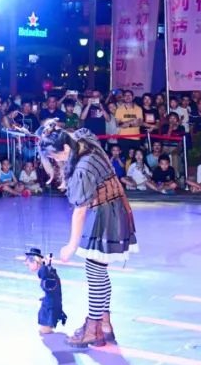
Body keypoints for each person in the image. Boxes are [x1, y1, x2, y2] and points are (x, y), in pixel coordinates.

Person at [37, 122, 137, 347]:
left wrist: (71, 246)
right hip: (112, 209)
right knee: (99, 272)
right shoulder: (84, 140)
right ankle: (105, 325)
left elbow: (80, 210)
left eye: (56, 156)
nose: (56, 161)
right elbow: (71, 132)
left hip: (105, 215)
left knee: (94, 274)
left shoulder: (83, 167)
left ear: (64, 149)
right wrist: (48, 134)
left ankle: (93, 329)